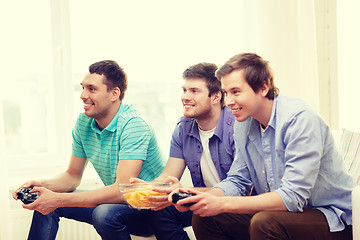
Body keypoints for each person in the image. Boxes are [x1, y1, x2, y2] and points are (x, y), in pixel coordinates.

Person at [170, 53, 356, 240]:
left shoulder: (300, 120)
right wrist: (206, 199)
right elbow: (238, 180)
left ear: (263, 87)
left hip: (333, 218)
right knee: (206, 217)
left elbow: (292, 197)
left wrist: (223, 203)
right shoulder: (243, 124)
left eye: (236, 92)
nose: (228, 102)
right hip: (285, 215)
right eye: (226, 93)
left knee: (265, 223)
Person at [12, 60, 165, 240]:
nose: (82, 95)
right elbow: (72, 176)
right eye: (83, 88)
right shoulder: (84, 122)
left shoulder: (134, 125)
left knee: (103, 213)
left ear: (114, 93)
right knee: (44, 203)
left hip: (151, 211)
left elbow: (123, 191)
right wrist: (41, 185)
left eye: (91, 89)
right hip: (121, 203)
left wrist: (58, 199)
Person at [132, 62, 235, 240]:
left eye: (194, 91)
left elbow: (241, 188)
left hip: (234, 202)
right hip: (203, 199)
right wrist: (146, 191)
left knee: (202, 212)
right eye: (184, 90)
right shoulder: (183, 128)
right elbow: (168, 177)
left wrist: (187, 191)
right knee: (162, 211)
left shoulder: (236, 126)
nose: (185, 97)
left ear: (216, 97)